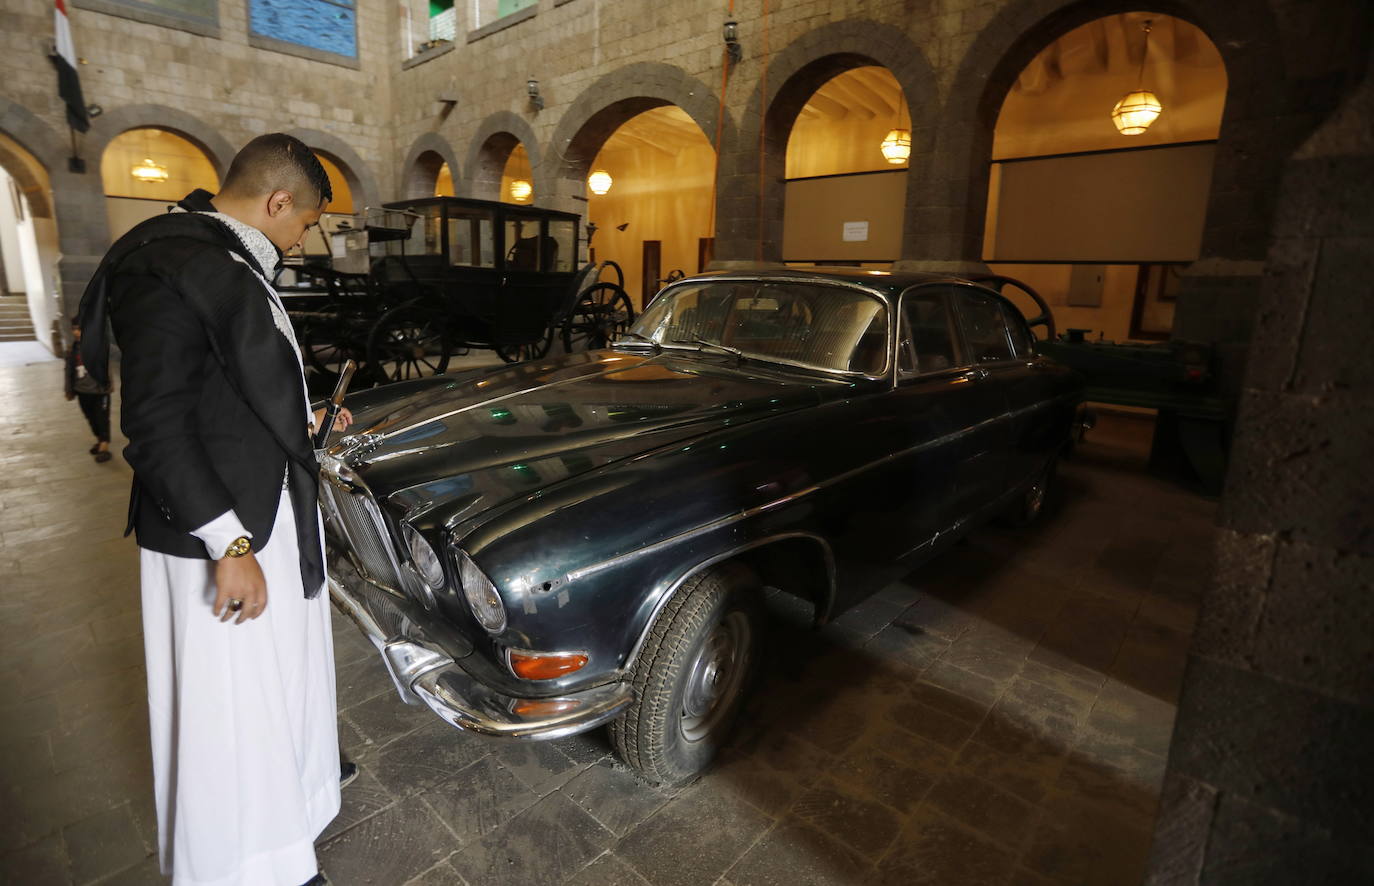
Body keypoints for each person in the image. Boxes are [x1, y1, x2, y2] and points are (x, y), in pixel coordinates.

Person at [77, 133, 353, 886]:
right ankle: (246, 870)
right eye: (305, 224)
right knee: (226, 717)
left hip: (263, 511)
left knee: (272, 696)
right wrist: (228, 546)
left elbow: (229, 386)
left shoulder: (226, 258)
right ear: (276, 203)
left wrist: (302, 418)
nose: (302, 241)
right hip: (219, 529)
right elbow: (158, 421)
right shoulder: (168, 263)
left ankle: (286, 833)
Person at [63, 321, 112, 462]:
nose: (76, 332)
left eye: (79, 329)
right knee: (91, 418)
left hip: (100, 391)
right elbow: (68, 371)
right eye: (74, 329)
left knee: (102, 418)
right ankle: (100, 439)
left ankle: (104, 446)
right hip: (82, 391)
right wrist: (68, 389)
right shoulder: (72, 350)